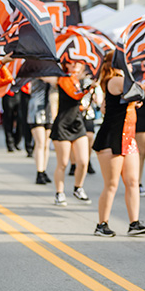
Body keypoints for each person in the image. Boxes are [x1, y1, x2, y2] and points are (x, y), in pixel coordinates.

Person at [92, 52, 145, 237]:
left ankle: (134, 223)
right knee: (112, 184)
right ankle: (102, 224)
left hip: (127, 138)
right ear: (118, 65)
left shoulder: (121, 82)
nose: (131, 66)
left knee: (132, 182)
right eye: (128, 63)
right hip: (111, 138)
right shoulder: (115, 80)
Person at [50, 61, 93, 206]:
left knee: (83, 161)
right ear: (66, 65)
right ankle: (59, 192)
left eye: (78, 63)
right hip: (63, 124)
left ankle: (78, 187)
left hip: (77, 123)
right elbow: (75, 95)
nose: (75, 65)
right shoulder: (63, 79)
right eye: (72, 63)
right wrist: (86, 89)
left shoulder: (82, 80)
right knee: (62, 162)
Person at [28, 78, 54, 185]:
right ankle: (39, 172)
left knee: (46, 144)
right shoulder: (38, 70)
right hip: (36, 109)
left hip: (49, 109)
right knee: (40, 142)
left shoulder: (54, 70)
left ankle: (43, 170)